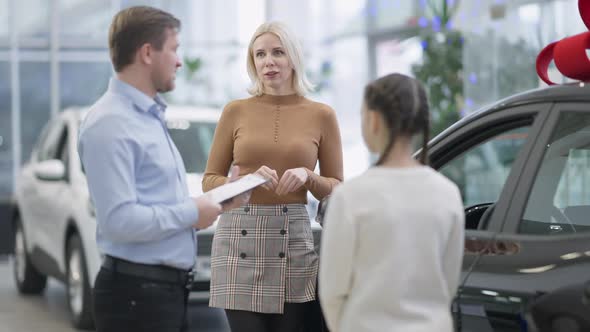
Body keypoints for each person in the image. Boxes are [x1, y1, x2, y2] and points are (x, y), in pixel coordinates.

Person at [78, 6, 247, 332]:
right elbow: (118, 221)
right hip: (136, 298)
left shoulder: (147, 116)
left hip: (161, 294)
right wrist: (190, 212)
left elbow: (158, 204)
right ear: (146, 53)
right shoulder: (110, 123)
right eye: (173, 49)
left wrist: (220, 202)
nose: (179, 61)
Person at [202, 21, 343, 332]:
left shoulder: (322, 115)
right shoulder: (234, 111)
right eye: (260, 54)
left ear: (293, 57)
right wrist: (244, 182)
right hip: (237, 241)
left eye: (277, 52)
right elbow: (209, 180)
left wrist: (309, 177)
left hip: (293, 241)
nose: (268, 62)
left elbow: (337, 188)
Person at [318, 73, 465, 332]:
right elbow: (449, 282)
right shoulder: (448, 193)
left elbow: (332, 290)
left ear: (374, 120)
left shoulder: (350, 196)